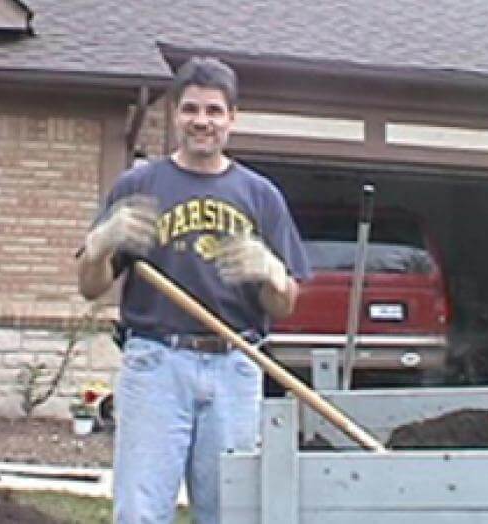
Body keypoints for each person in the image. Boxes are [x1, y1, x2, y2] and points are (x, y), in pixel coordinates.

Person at [77, 56, 310, 524]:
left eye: (213, 110)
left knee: (230, 512)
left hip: (236, 367)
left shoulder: (259, 196)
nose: (201, 121)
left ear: (232, 118)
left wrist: (273, 274)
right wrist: (99, 246)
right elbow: (91, 288)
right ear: (176, 115)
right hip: (156, 364)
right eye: (190, 109)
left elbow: (281, 306)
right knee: (141, 512)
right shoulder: (140, 186)